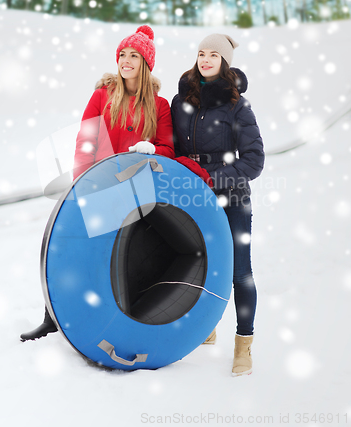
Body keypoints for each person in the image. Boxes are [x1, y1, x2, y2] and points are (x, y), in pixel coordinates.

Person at [20, 25, 175, 342]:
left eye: (133, 55)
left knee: (120, 258)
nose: (126, 60)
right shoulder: (102, 96)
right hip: (98, 187)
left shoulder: (159, 106)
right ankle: (52, 316)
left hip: (136, 193)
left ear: (146, 64)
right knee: (70, 249)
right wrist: (83, 184)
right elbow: (85, 142)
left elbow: (169, 150)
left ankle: (112, 322)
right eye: (122, 54)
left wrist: (153, 149)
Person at [170, 33, 264, 376]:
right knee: (199, 264)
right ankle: (205, 327)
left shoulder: (238, 105)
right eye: (200, 53)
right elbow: (173, 147)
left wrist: (211, 176)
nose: (205, 59)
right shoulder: (180, 101)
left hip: (232, 197)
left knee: (239, 271)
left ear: (225, 61)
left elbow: (254, 161)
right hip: (193, 196)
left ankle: (244, 345)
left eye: (213, 54)